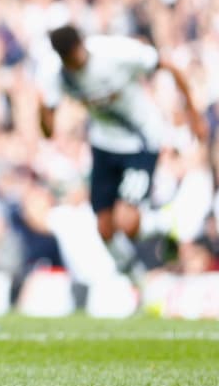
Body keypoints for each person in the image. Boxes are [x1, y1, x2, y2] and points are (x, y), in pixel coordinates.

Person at [39, 25, 207, 277]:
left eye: (76, 57)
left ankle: (165, 225)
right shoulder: (56, 75)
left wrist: (193, 114)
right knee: (104, 229)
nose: (75, 65)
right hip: (103, 145)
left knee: (126, 221)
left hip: (140, 141)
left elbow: (169, 66)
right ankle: (137, 283)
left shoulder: (116, 53)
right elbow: (48, 131)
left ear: (82, 45)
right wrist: (40, 108)